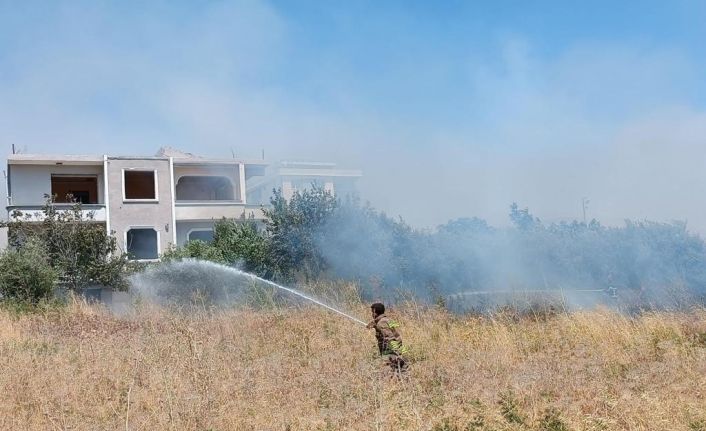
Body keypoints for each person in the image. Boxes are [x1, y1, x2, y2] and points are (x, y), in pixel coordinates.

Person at [366, 302, 408, 372]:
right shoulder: (389, 320)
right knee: (403, 370)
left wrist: (393, 354)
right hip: (400, 348)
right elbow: (396, 333)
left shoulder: (381, 323)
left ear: (375, 313)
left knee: (384, 371)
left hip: (391, 352)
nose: (371, 314)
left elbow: (390, 337)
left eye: (372, 312)